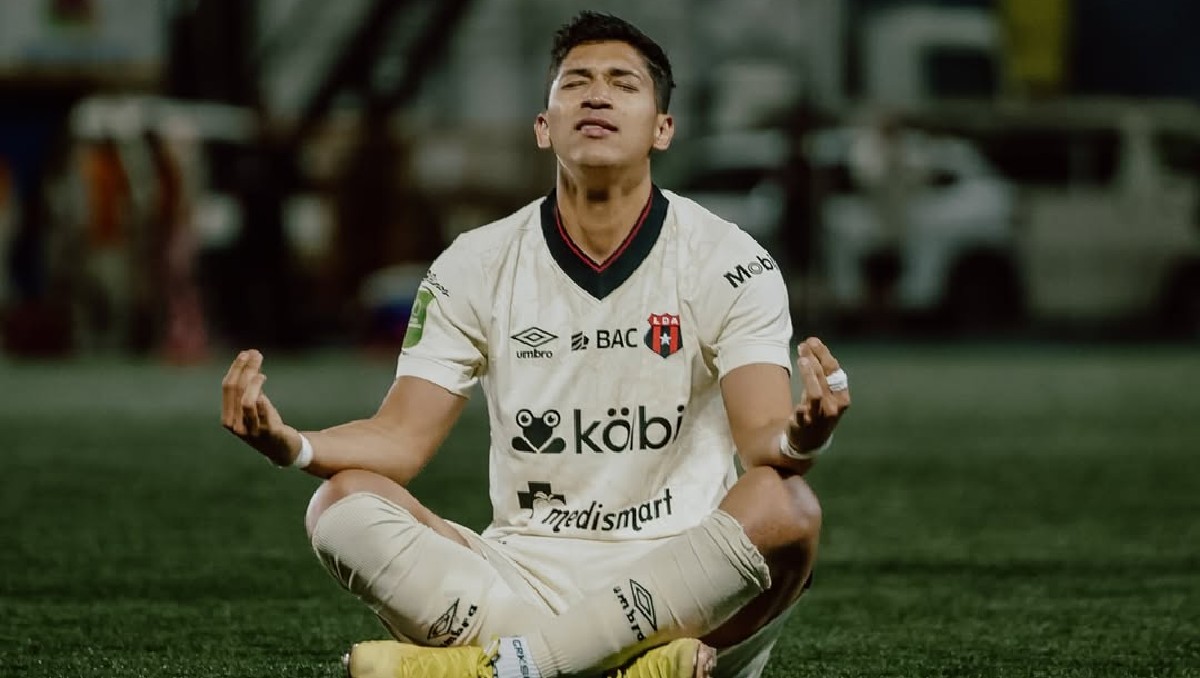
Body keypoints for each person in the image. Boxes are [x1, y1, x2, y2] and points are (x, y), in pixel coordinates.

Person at [221, 11, 850, 678]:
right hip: (524, 581)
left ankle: (509, 670)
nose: (598, 95)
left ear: (663, 129)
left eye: (623, 84)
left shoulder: (729, 259)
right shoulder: (475, 263)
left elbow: (764, 443)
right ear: (544, 125)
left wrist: (803, 438)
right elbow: (399, 440)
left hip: (685, 587)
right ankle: (603, 665)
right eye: (576, 82)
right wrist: (296, 447)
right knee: (339, 504)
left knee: (786, 505)